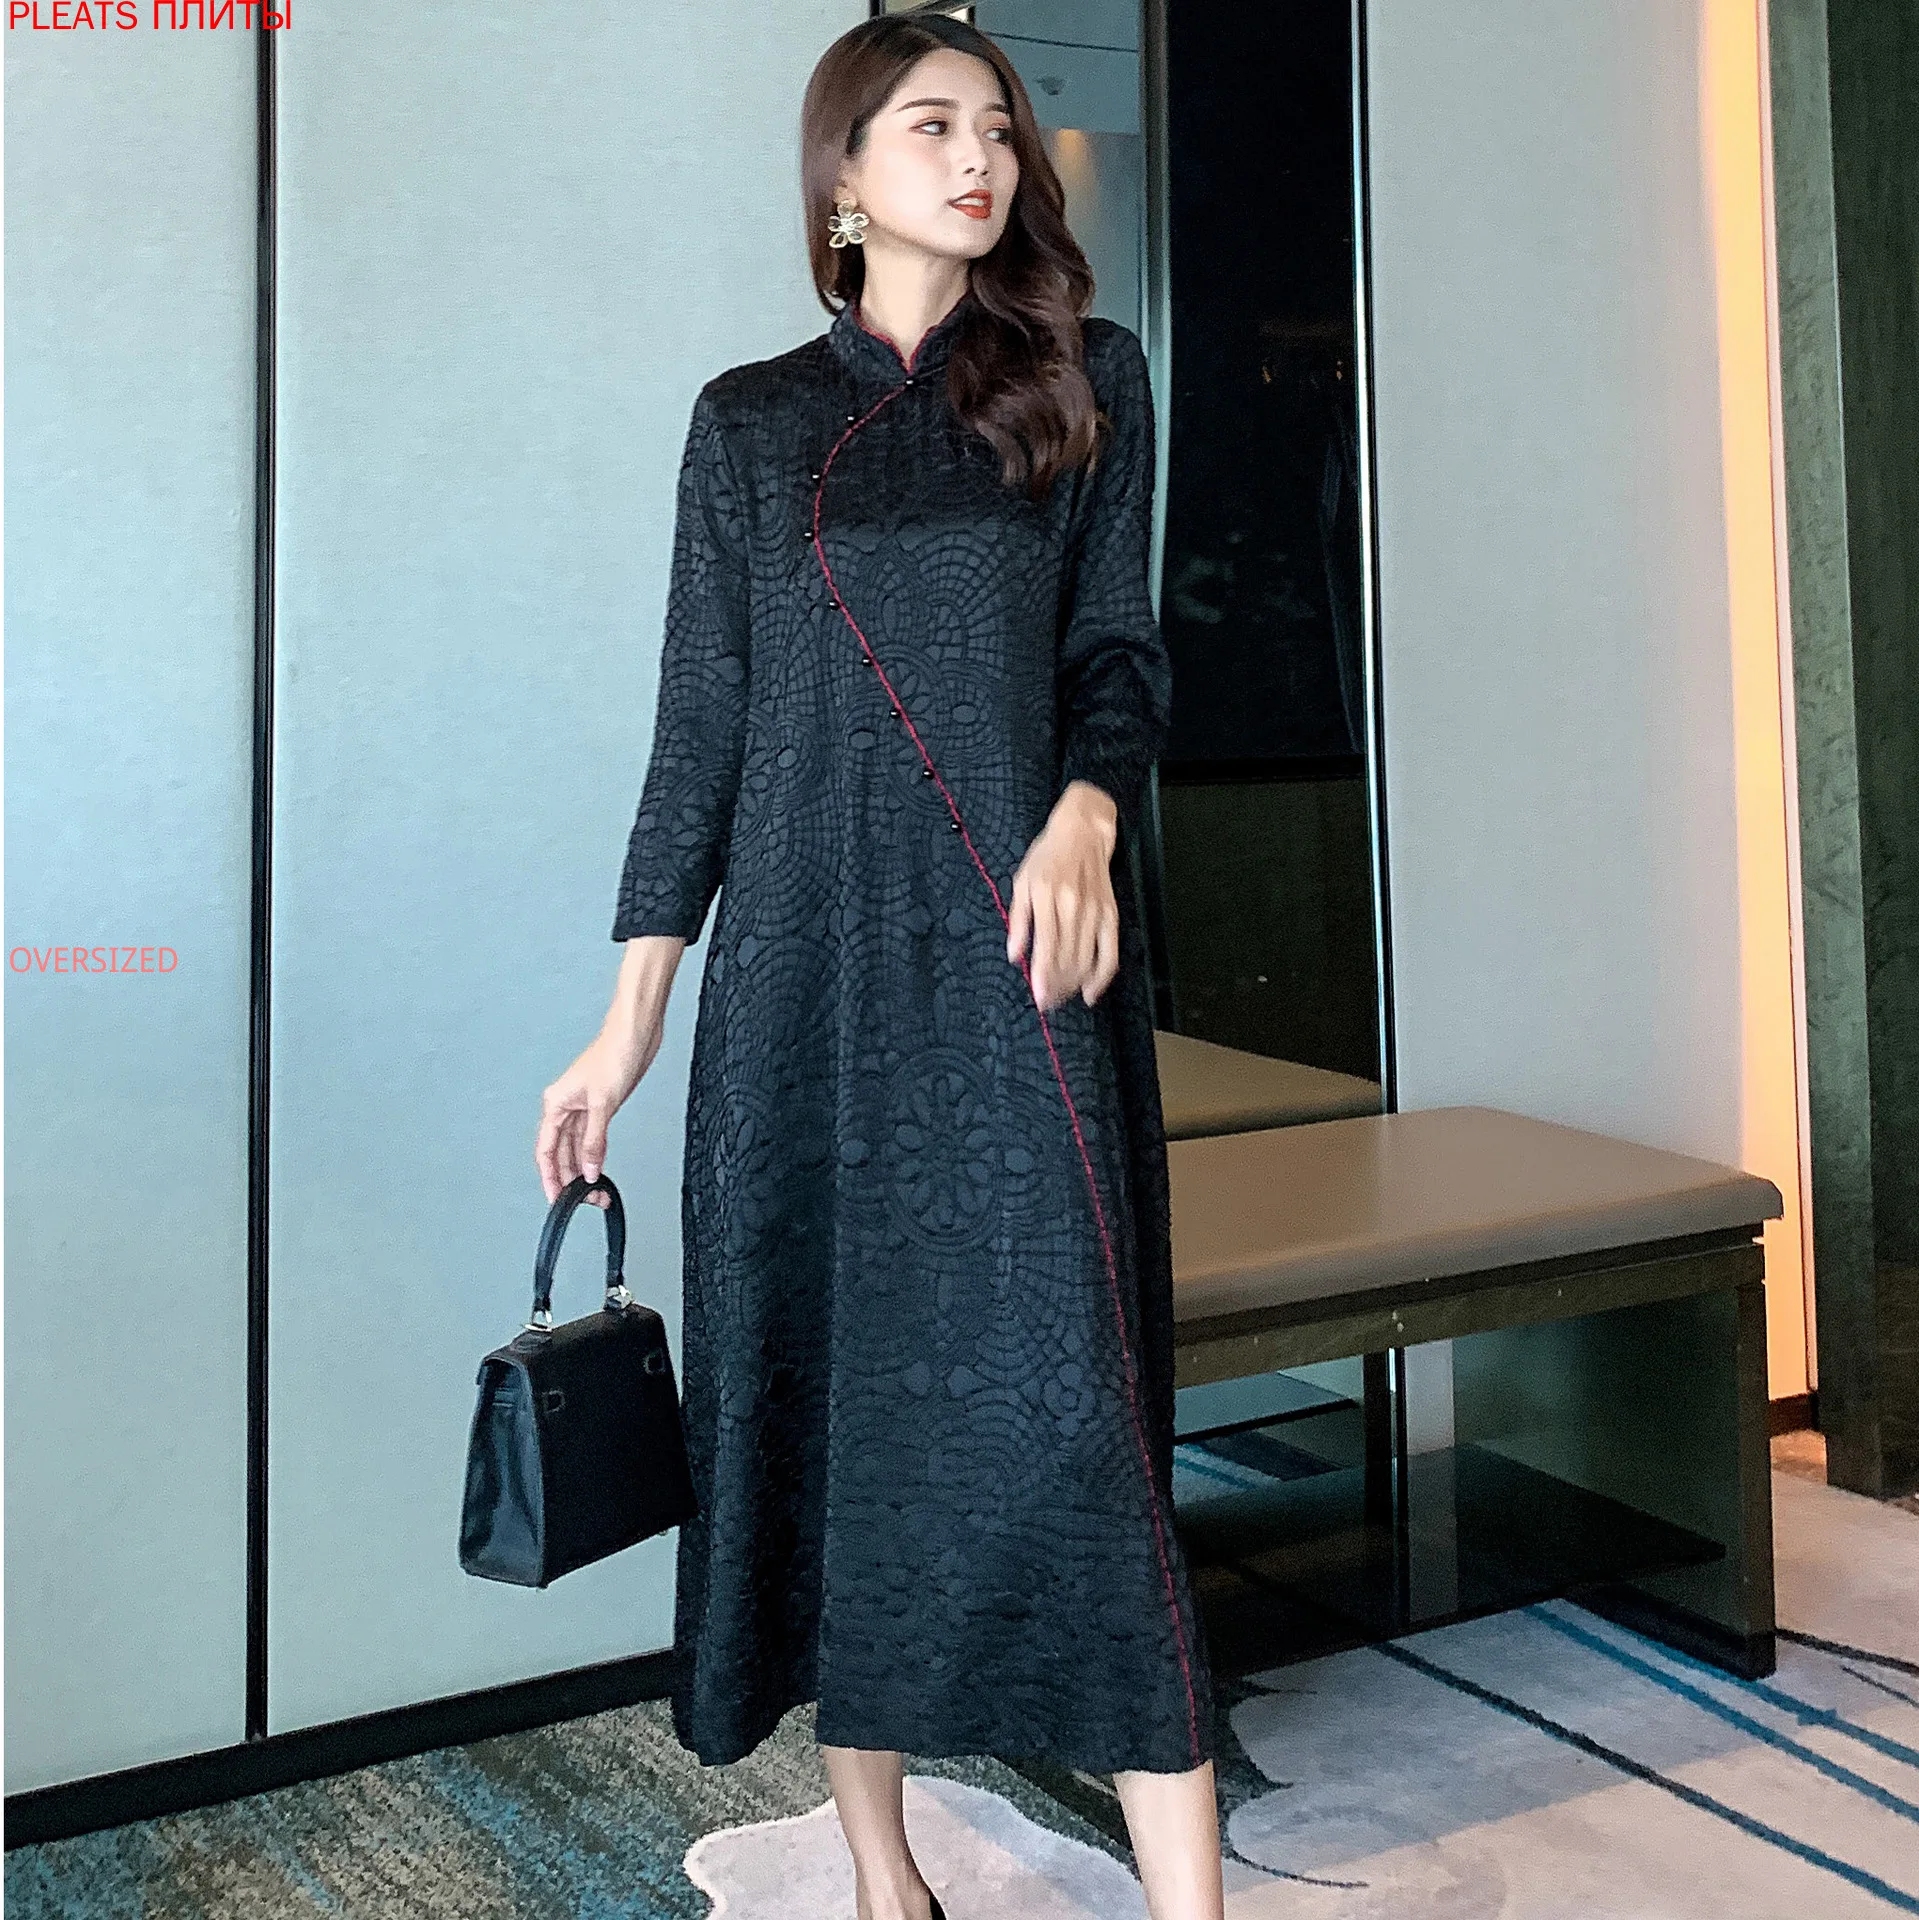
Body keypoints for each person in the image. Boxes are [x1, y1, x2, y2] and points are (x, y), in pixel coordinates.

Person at [536, 14, 1225, 1919]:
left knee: (1081, 1436)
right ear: (843, 173)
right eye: (932, 125)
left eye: (998, 124)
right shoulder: (749, 423)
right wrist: (622, 1030)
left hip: (1021, 976)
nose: (981, 154)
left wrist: (1084, 818)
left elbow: (1117, 658)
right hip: (806, 996)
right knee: (828, 1406)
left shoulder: (1086, 380)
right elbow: (699, 737)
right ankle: (881, 1872)